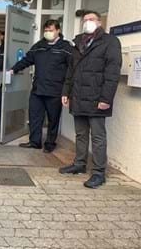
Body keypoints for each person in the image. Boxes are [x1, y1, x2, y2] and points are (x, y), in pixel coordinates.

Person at [59, 10, 122, 189]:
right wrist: (66, 92)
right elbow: (71, 71)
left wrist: (106, 98)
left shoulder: (110, 42)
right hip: (78, 96)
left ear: (100, 22)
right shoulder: (78, 42)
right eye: (85, 20)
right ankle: (79, 164)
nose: (87, 22)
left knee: (98, 136)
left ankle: (98, 172)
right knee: (80, 133)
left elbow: (112, 73)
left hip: (97, 98)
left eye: (91, 19)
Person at [10, 20, 73, 153]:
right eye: (46, 30)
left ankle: (50, 143)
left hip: (55, 90)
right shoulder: (39, 45)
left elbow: (72, 69)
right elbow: (27, 59)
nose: (48, 33)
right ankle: (35, 142)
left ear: (58, 31)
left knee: (53, 119)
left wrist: (67, 91)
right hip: (38, 89)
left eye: (50, 30)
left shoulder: (66, 48)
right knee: (34, 117)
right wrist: (13, 69)